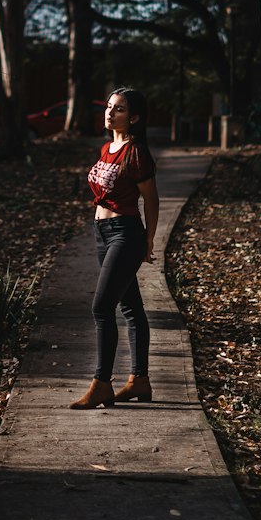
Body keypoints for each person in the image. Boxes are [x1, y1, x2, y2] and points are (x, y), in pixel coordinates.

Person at [70, 87, 160, 409]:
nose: (110, 113)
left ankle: (102, 384)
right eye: (109, 107)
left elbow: (151, 198)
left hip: (125, 234)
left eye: (119, 109)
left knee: (101, 307)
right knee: (130, 307)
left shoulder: (135, 152)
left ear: (134, 117)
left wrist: (149, 239)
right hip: (102, 232)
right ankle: (140, 381)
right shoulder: (107, 147)